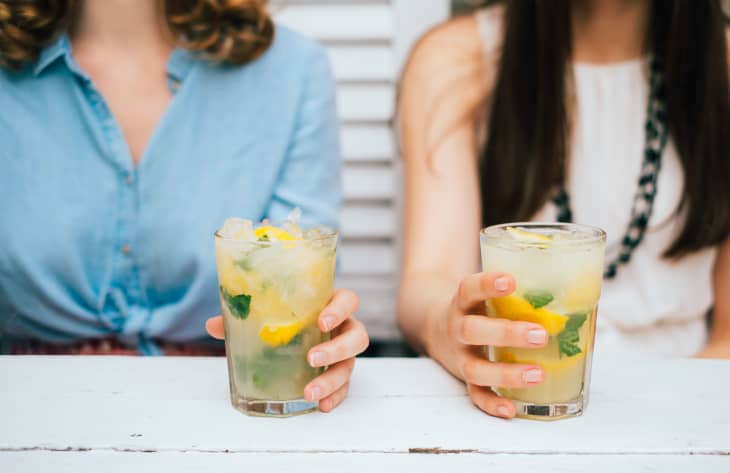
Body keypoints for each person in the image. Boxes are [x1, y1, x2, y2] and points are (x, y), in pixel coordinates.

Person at [0, 0, 368, 413]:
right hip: (28, 411)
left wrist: (322, 334)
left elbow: (294, 285)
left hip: (227, 416)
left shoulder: (294, 71)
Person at [397, 0, 730, 418]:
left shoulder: (723, 64)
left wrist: (658, 415)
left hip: (683, 399)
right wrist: (448, 327)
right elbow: (431, 278)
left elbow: (727, 338)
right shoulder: (457, 59)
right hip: (520, 398)